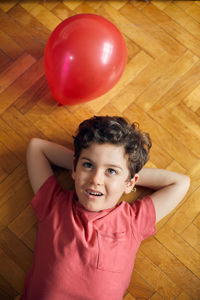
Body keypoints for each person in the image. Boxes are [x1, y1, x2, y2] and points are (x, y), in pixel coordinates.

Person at [20, 116, 190, 300]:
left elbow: (180, 183)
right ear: (74, 168)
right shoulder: (53, 204)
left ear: (130, 182)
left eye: (111, 171)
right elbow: (36, 148)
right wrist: (81, 166)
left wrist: (127, 176)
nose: (95, 180)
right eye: (88, 165)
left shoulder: (133, 221)